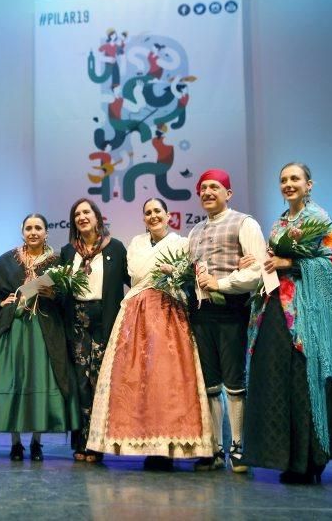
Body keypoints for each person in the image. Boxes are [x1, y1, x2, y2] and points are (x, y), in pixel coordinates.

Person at [240, 162, 332, 483]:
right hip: (279, 309)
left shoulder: (319, 219)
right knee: (282, 382)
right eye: (283, 180)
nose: (288, 184)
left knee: (307, 382)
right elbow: (274, 259)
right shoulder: (280, 223)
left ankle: (312, 459)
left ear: (309, 185)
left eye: (295, 178)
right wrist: (261, 262)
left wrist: (291, 262)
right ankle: (289, 458)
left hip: (310, 315)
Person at [87, 198, 214, 469]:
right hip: (137, 311)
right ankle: (144, 443)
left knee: (169, 379)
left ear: (169, 215)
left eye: (158, 211)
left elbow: (187, 276)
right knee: (137, 378)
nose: (153, 216)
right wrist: (168, 270)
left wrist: (176, 273)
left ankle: (172, 446)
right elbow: (137, 272)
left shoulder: (181, 243)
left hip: (170, 310)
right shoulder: (136, 243)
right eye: (148, 212)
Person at [0, 214, 81, 461]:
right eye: (28, 228)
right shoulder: (10, 259)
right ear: (22, 232)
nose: (33, 232)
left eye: (38, 228)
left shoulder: (58, 262)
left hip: (44, 331)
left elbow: (67, 297)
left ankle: (37, 442)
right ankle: (16, 443)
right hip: (15, 329)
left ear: (46, 232)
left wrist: (54, 295)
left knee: (40, 381)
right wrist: (0, 301)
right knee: (15, 381)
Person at [187, 169, 266, 472]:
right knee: (210, 384)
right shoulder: (194, 232)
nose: (207, 192)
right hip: (201, 313)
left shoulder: (244, 223)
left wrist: (222, 284)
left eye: (214, 187)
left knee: (234, 382)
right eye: (203, 188)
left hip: (232, 309)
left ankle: (238, 446)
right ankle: (216, 448)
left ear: (228, 193)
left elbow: (257, 270)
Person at [60, 198, 129, 463]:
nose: (81, 217)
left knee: (100, 381)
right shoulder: (68, 251)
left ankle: (98, 443)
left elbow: (131, 280)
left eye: (86, 212)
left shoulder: (116, 248)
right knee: (80, 382)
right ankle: (81, 442)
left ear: (97, 217)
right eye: (77, 214)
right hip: (76, 320)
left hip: (105, 320)